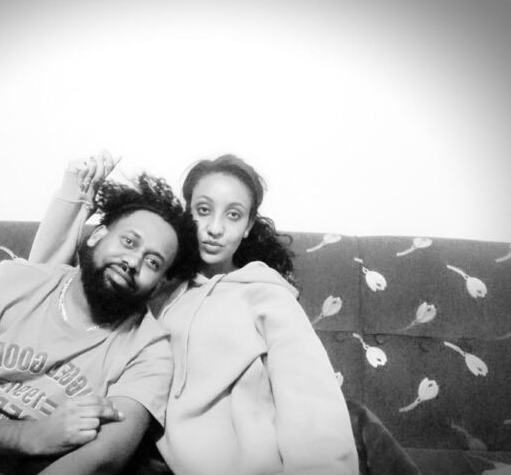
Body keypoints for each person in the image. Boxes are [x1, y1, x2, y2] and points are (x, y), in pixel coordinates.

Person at [30, 152, 359, 475]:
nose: (215, 228)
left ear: (247, 226)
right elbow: (42, 290)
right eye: (203, 210)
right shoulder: (153, 281)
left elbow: (311, 402)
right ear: (187, 212)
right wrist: (76, 195)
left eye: (233, 215)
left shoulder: (267, 296)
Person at [0, 172, 198, 475]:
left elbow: (103, 458)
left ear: (158, 285)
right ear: (97, 235)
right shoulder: (9, 281)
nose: (133, 262)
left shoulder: (151, 349)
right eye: (129, 241)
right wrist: (31, 436)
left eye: (152, 262)